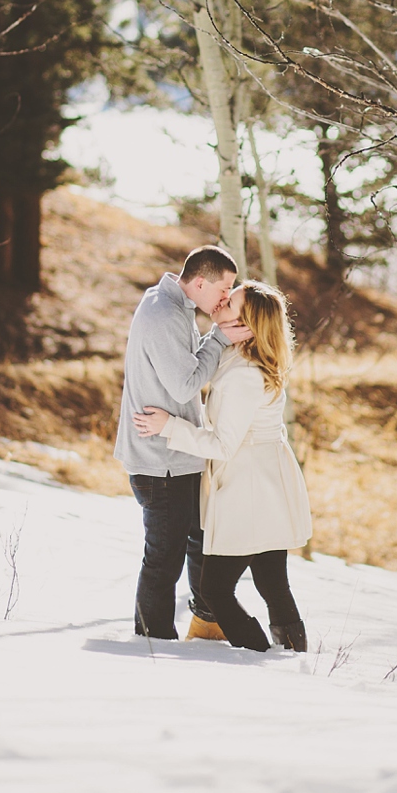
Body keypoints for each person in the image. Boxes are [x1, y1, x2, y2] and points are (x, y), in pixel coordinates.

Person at [133, 280, 312, 653]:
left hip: (248, 486)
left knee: (215, 589)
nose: (221, 304)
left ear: (247, 323)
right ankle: (293, 658)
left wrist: (170, 427)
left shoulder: (245, 375)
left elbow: (222, 445)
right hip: (263, 480)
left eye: (230, 304)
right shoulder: (241, 354)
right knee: (273, 584)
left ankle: (260, 655)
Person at [114, 245, 252, 641]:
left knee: (199, 539)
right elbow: (186, 384)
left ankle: (207, 621)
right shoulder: (165, 316)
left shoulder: (170, 302)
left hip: (177, 455)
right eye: (224, 289)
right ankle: (152, 640)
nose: (227, 297)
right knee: (164, 556)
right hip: (161, 461)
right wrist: (218, 340)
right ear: (200, 282)